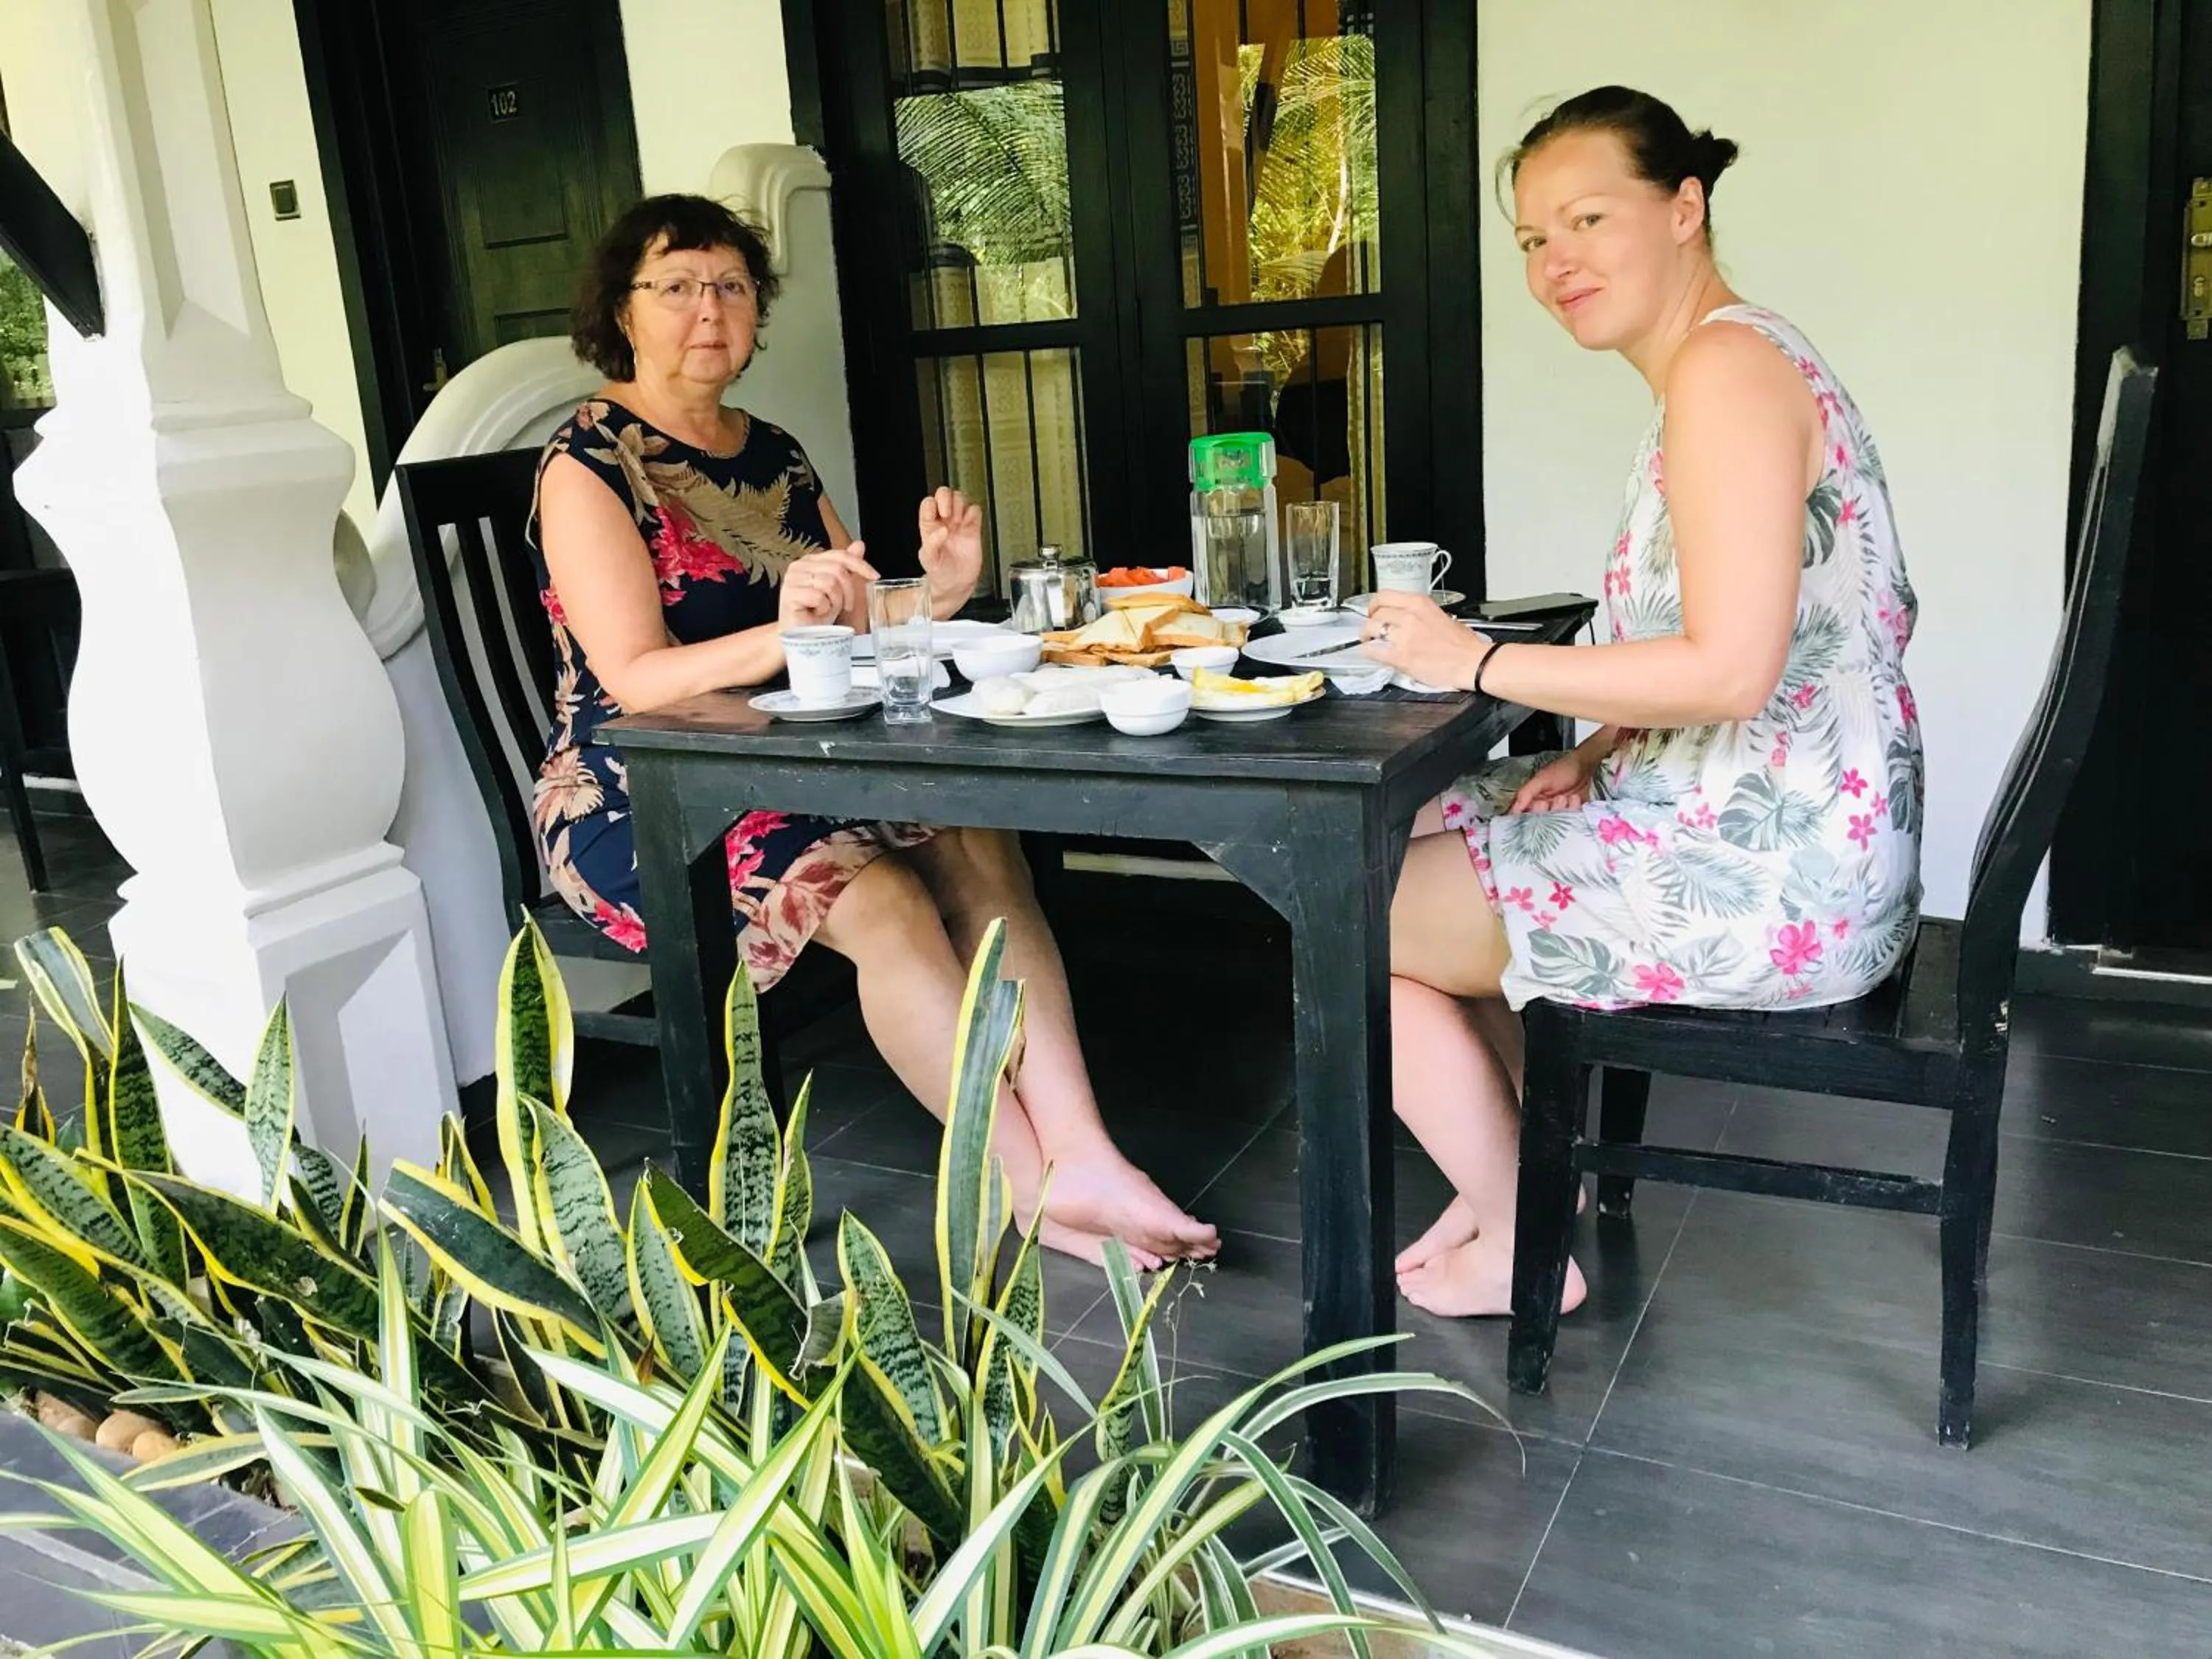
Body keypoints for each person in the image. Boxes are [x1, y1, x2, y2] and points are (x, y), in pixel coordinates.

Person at [528, 193, 1217, 1270]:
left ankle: (1085, 1152)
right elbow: (635, 680)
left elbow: (852, 618)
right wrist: (784, 630)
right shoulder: (588, 462)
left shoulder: (773, 451)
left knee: (978, 841)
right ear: (623, 310)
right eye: (677, 286)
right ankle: (1026, 1188)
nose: (709, 309)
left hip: (805, 755)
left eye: (732, 286)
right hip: (647, 795)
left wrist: (933, 592)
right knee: (883, 896)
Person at [1359, 88, 1923, 1318]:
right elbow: (1741, 638)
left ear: (1684, 208)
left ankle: (1521, 1231)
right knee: (1417, 825)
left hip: (1774, 876)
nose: (1555, 261)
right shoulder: (1723, 360)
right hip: (1785, 825)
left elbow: (1730, 670)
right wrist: (1603, 744)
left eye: (1588, 219)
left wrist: (1477, 661)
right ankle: (1526, 1171)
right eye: (1532, 238)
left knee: (1343, 919)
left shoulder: (1724, 373)